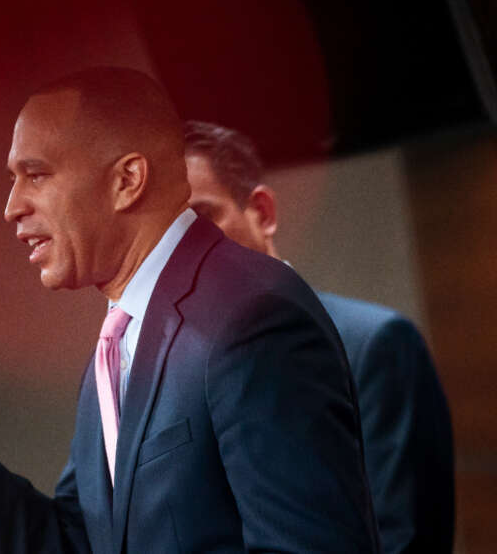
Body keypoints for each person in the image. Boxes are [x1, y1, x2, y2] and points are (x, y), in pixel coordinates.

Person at [0, 66, 379, 553]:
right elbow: (78, 544)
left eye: (35, 174)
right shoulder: (119, 343)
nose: (12, 206)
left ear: (127, 180)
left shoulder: (250, 315)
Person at [183, 120, 455, 553]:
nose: (185, 248)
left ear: (263, 213)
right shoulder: (178, 374)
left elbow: (403, 537)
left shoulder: (375, 342)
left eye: (202, 218)